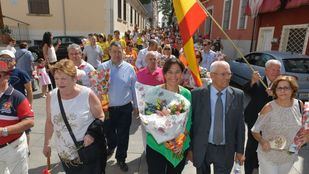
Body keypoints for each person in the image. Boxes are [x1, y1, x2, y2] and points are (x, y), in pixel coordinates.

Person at [43, 59, 106, 174]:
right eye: (56, 78)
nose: (59, 82)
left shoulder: (87, 94)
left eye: (63, 79)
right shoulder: (51, 96)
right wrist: (46, 143)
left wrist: (91, 134)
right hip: (65, 153)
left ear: (74, 79)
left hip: (87, 152)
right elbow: (49, 121)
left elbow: (101, 116)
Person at [190, 61, 246, 174]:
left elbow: (240, 125)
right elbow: (191, 124)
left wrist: (240, 151)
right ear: (212, 75)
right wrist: (190, 149)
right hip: (203, 147)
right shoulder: (197, 94)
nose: (227, 77)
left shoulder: (238, 95)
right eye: (223, 74)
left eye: (229, 74)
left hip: (225, 149)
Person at [145, 58, 192, 174]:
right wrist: (163, 137)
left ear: (182, 74)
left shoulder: (186, 94)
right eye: (170, 72)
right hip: (157, 145)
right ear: (165, 74)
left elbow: (189, 121)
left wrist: (180, 140)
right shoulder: (154, 92)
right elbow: (147, 120)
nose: (174, 76)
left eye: (177, 72)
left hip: (178, 146)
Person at [98, 42, 138, 172]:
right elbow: (97, 88)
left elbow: (134, 88)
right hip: (107, 108)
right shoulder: (102, 67)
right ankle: (112, 144)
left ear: (123, 52)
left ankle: (121, 158)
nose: (117, 54)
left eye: (119, 51)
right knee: (108, 132)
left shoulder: (129, 68)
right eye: (114, 51)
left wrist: (136, 106)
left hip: (124, 108)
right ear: (109, 52)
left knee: (123, 135)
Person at [251, 75, 302, 174]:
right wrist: (262, 141)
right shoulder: (268, 107)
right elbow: (255, 130)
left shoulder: (299, 105)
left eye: (286, 88)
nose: (283, 91)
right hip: (269, 154)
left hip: (289, 154)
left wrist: (301, 141)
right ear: (275, 91)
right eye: (279, 88)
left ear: (293, 90)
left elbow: (303, 129)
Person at [244, 59, 282, 174]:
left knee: (267, 147)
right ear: (266, 70)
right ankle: (250, 169)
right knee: (252, 146)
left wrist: (275, 94)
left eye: (277, 70)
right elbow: (246, 90)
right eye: (272, 69)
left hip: (273, 123)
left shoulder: (282, 84)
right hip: (254, 120)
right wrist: (253, 81)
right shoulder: (259, 80)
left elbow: (288, 99)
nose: (275, 72)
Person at [0, 50, 34, 174]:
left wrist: (4, 131)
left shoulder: (17, 97)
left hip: (13, 148)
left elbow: (30, 122)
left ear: (7, 76)